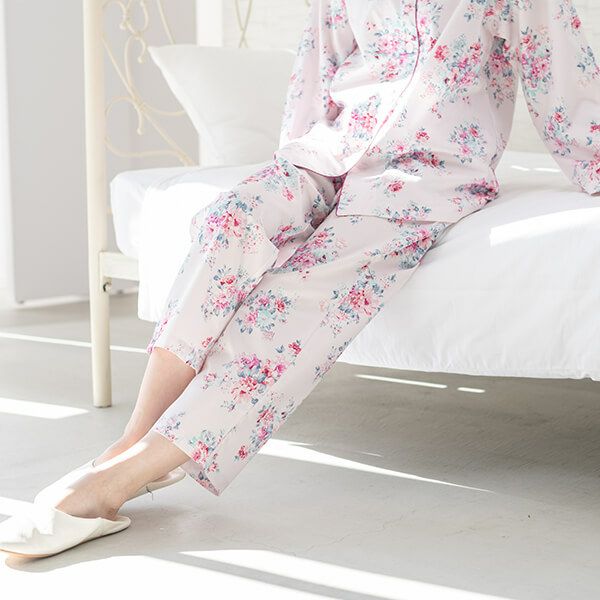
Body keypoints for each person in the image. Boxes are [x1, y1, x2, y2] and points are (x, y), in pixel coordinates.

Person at [2, 0, 599, 556]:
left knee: (295, 296)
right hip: (328, 151)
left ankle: (120, 480)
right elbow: (318, 66)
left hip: (424, 175)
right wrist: (290, 168)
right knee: (229, 224)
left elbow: (561, 76)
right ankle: (131, 441)